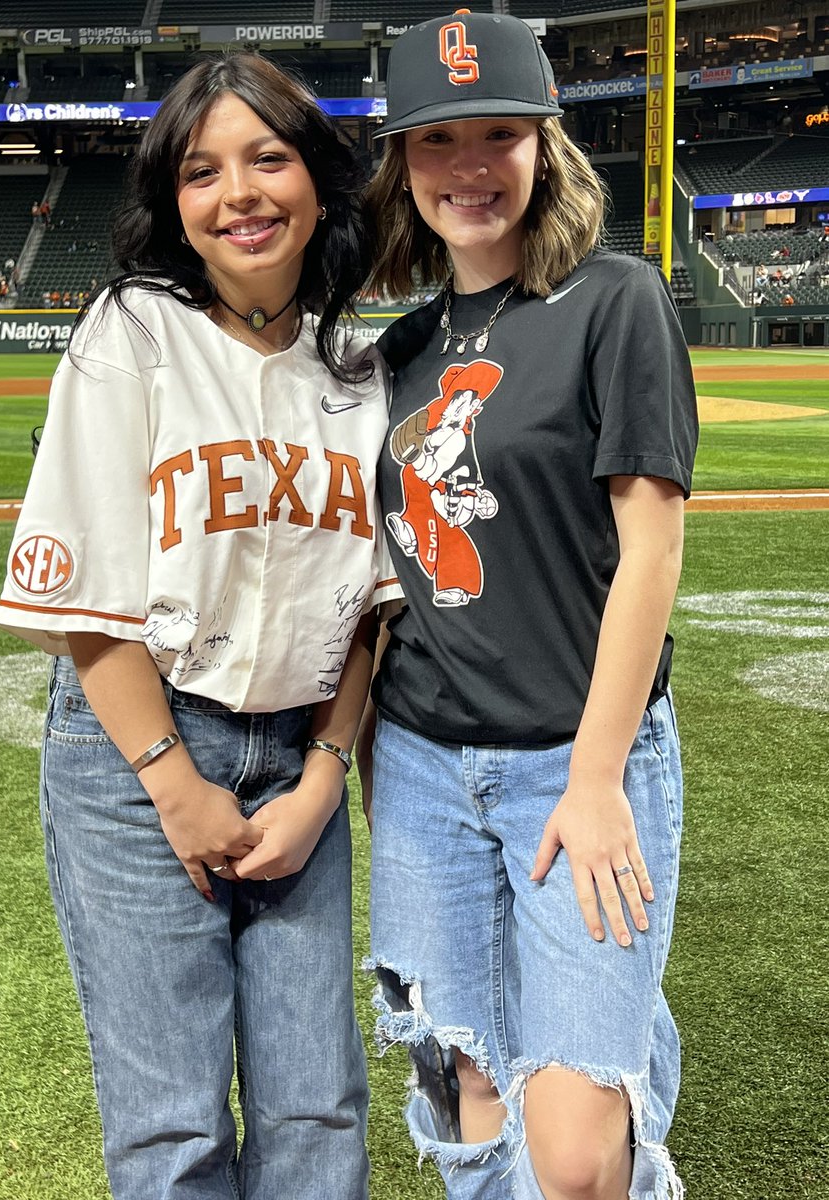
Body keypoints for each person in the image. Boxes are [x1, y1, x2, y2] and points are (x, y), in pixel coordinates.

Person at [0, 52, 401, 1200]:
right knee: (173, 1131)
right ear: (173, 203)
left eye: (268, 159)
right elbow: (86, 597)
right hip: (139, 753)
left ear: (318, 178)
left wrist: (323, 779)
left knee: (320, 1108)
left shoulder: (361, 368)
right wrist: (175, 785)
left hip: (300, 756)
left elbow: (371, 609)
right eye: (202, 172)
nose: (239, 195)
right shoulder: (132, 330)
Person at [360, 12, 697, 1200]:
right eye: (436, 139)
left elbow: (652, 549)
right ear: (403, 164)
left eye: (498, 133)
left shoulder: (617, 300)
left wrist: (598, 777)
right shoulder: (401, 350)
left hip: (577, 761)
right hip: (419, 770)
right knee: (470, 1093)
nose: (470, 166)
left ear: (544, 145)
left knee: (577, 1158)